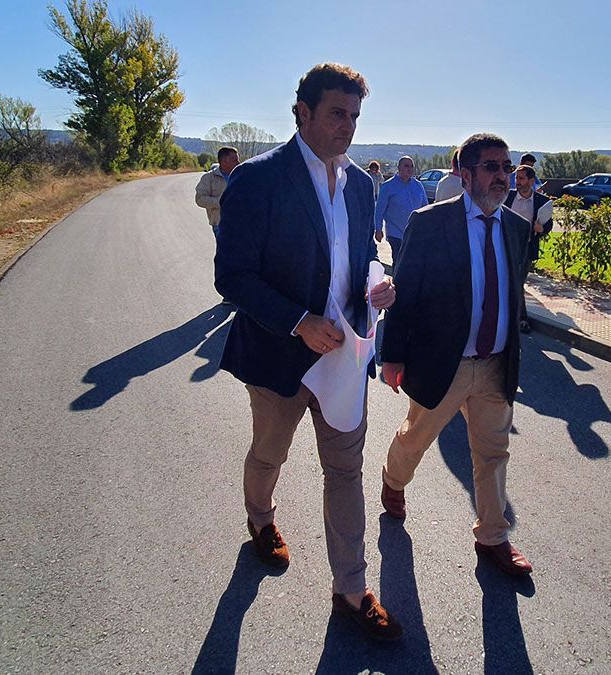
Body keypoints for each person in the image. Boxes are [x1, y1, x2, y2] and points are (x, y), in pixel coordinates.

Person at [214, 62, 402, 641]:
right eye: (337, 114)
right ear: (303, 113)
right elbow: (232, 275)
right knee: (269, 454)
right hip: (278, 355)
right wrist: (297, 322)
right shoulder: (258, 179)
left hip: (344, 356)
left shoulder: (362, 186)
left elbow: (358, 256)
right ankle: (261, 521)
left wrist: (377, 280)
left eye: (355, 116)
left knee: (345, 470)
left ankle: (350, 589)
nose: (347, 127)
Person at [377, 132, 534, 577]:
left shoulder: (517, 229)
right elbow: (406, 293)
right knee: (416, 437)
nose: (503, 176)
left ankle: (493, 536)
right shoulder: (429, 223)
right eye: (491, 167)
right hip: (443, 363)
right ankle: (393, 479)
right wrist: (394, 356)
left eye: (506, 167)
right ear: (465, 176)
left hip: (495, 364)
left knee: (493, 451)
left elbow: (510, 293)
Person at [504, 164, 553, 333]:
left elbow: (548, 225)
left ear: (531, 181)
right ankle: (514, 317)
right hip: (506, 245)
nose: (517, 182)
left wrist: (542, 229)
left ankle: (521, 318)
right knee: (510, 281)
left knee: (517, 281)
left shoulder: (541, 202)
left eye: (521, 178)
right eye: (516, 178)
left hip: (526, 247)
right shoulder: (507, 197)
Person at [374, 155, 427, 267]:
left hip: (415, 233)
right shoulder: (388, 186)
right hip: (396, 233)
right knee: (399, 262)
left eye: (412, 166)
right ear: (399, 168)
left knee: (414, 264)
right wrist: (378, 229)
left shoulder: (418, 186)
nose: (409, 169)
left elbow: (425, 208)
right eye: (406, 166)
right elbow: (379, 210)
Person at [194, 146, 239, 238]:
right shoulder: (209, 178)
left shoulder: (241, 176)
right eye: (235, 160)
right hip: (220, 224)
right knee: (226, 251)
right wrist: (220, 201)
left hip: (241, 223)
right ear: (224, 161)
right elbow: (200, 199)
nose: (238, 163)